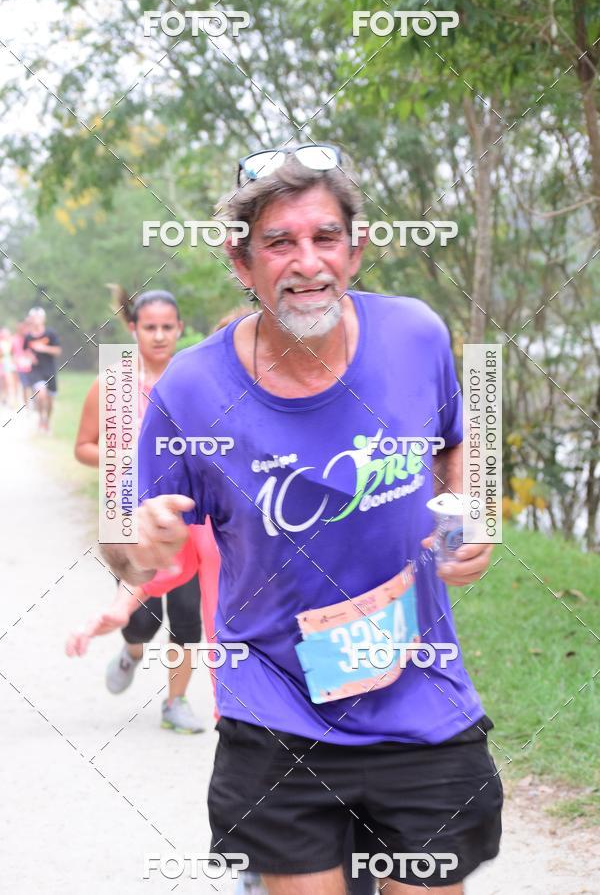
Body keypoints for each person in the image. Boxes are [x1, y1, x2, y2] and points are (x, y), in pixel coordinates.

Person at [100, 144, 501, 894]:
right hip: (279, 709)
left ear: (358, 247)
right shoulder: (191, 388)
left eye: (325, 237)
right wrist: (138, 543)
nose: (306, 261)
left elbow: (460, 439)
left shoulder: (417, 334)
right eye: (279, 242)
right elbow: (120, 538)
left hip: (422, 699)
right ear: (241, 261)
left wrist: (474, 515)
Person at [74, 285, 205, 733]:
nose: (159, 335)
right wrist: (123, 458)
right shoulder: (113, 383)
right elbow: (83, 448)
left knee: (187, 613)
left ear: (180, 329)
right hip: (126, 511)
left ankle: (175, 701)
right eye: (150, 327)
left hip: (182, 512)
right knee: (142, 617)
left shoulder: (192, 379)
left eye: (168, 327)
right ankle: (131, 651)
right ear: (133, 329)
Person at [23, 307, 62, 432]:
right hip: (36, 371)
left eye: (38, 318)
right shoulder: (28, 336)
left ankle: (47, 421)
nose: (36, 320)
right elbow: (25, 351)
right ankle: (40, 418)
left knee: (50, 400)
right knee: (41, 395)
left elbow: (58, 351)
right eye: (33, 318)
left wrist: (43, 348)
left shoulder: (50, 333)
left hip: (50, 371)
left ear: (43, 319)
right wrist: (30, 356)